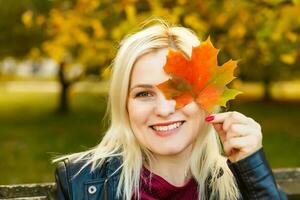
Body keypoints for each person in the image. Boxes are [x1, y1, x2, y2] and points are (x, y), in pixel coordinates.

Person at [54, 21, 287, 200]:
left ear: (207, 98)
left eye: (180, 90)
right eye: (144, 94)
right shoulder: (81, 183)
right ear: (124, 106)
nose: (164, 110)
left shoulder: (238, 186)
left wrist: (254, 171)